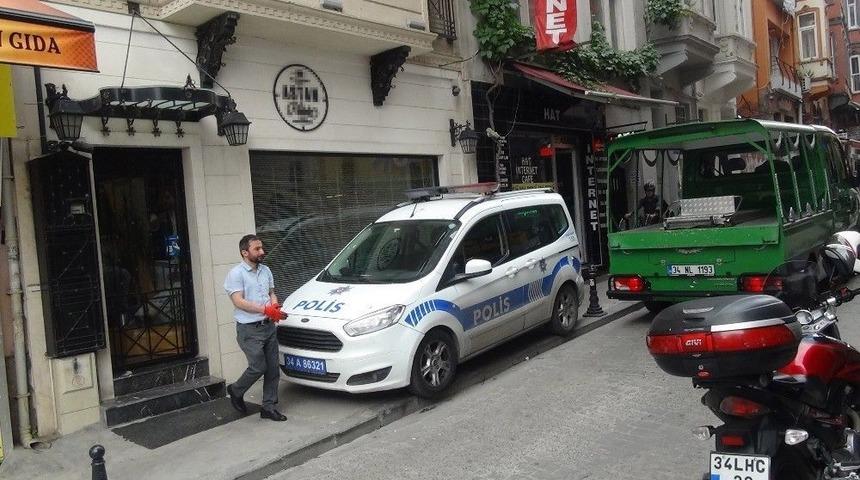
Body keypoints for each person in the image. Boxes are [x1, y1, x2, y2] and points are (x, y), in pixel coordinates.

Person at [224, 234, 288, 421]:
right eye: (257, 249)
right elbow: (238, 301)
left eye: (262, 248)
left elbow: (271, 293)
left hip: (268, 327)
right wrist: (265, 309)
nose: (262, 252)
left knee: (272, 369)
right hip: (249, 330)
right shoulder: (236, 274)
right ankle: (236, 390)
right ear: (245, 252)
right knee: (258, 366)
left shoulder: (266, 270)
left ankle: (268, 407)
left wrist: (274, 307)